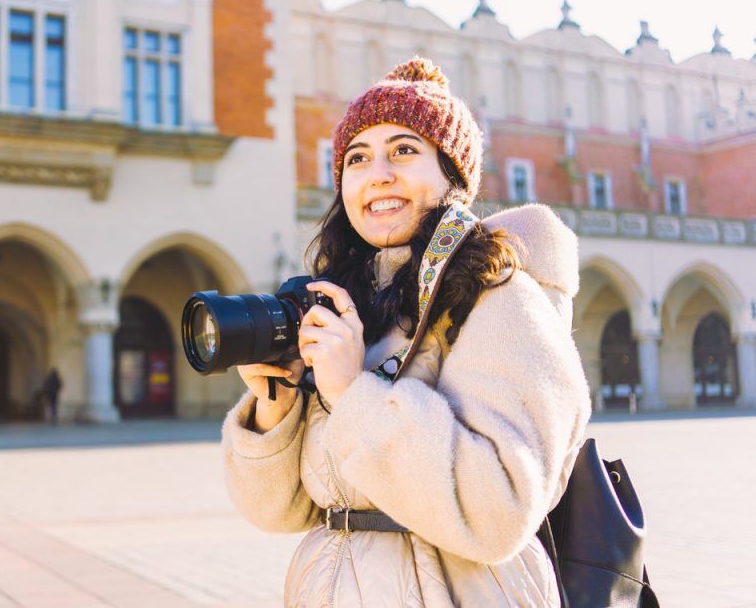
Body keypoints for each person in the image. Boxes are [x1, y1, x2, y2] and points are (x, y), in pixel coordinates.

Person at [222, 57, 591, 606]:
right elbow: (280, 513)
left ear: (452, 175)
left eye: (404, 151)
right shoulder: (354, 306)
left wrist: (351, 393)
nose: (378, 174)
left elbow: (499, 513)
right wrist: (276, 409)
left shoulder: (501, 297)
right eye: (357, 158)